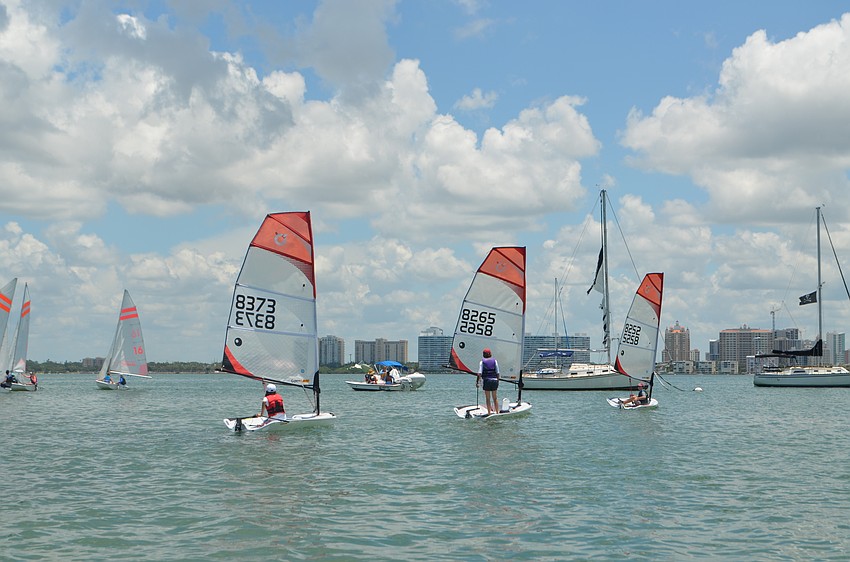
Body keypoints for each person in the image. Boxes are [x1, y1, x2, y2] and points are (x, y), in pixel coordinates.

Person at [477, 348, 501, 414]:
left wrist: (477, 382)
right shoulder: (495, 361)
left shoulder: (482, 362)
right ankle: (497, 412)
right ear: (490, 354)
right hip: (495, 380)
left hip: (487, 380)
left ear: (483, 355)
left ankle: (489, 413)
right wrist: (498, 381)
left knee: (488, 398)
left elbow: (479, 373)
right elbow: (497, 372)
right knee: (495, 398)